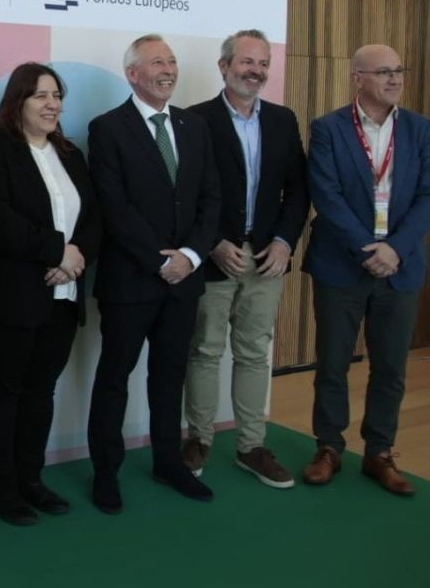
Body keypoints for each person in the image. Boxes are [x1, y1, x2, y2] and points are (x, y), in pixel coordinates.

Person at [85, 33, 220, 514]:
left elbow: (210, 199)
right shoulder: (107, 128)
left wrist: (189, 256)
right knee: (114, 379)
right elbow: (114, 207)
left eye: (173, 61)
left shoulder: (194, 126)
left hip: (185, 279)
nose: (168, 69)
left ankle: (169, 462)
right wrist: (160, 260)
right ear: (132, 73)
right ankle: (106, 472)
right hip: (131, 281)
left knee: (169, 376)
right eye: (157, 62)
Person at [0, 63, 100, 525]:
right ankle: (3, 489)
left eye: (57, 96)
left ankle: (31, 479)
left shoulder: (70, 153)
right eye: (40, 96)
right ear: (17, 102)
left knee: (41, 392)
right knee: (2, 392)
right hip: (11, 300)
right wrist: (57, 252)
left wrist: (78, 254)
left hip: (62, 301)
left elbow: (93, 218)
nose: (52, 105)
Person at [301, 43, 430, 497]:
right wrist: (366, 248)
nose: (394, 79)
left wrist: (393, 248)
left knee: (390, 367)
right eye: (383, 72)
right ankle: (328, 448)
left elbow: (427, 196)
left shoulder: (420, 130)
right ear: (358, 77)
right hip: (342, 266)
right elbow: (326, 195)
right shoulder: (329, 129)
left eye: (399, 70)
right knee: (333, 364)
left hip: (401, 265)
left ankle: (379, 451)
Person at [182, 30, 309, 487]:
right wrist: (212, 242)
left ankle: (251, 445)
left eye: (262, 63)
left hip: (267, 258)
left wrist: (284, 242)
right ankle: (197, 439)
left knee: (255, 353)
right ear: (224, 67)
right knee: (204, 350)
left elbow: (297, 188)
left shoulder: (282, 119)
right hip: (217, 257)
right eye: (246, 62)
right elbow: (188, 192)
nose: (255, 71)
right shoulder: (195, 120)